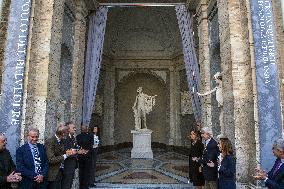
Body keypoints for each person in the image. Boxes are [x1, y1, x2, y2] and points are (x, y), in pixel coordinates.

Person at [45, 125, 75, 189]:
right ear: (63, 133)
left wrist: (69, 152)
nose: (67, 136)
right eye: (67, 134)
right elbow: (51, 159)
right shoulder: (50, 141)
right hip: (53, 173)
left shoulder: (61, 141)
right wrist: (65, 155)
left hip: (61, 171)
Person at [62, 121, 85, 189]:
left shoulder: (73, 137)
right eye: (73, 128)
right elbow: (66, 151)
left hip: (72, 164)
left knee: (69, 183)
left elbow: (75, 148)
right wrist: (78, 152)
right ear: (68, 129)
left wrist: (79, 150)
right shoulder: (66, 138)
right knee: (66, 184)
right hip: (67, 165)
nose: (75, 129)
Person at [76, 125, 93, 189]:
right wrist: (86, 152)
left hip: (80, 156)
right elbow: (91, 146)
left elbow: (77, 146)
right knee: (87, 172)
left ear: (81, 129)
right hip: (88, 157)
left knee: (81, 172)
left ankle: (81, 186)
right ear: (86, 129)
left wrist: (81, 151)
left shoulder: (78, 137)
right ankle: (85, 186)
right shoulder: (90, 136)